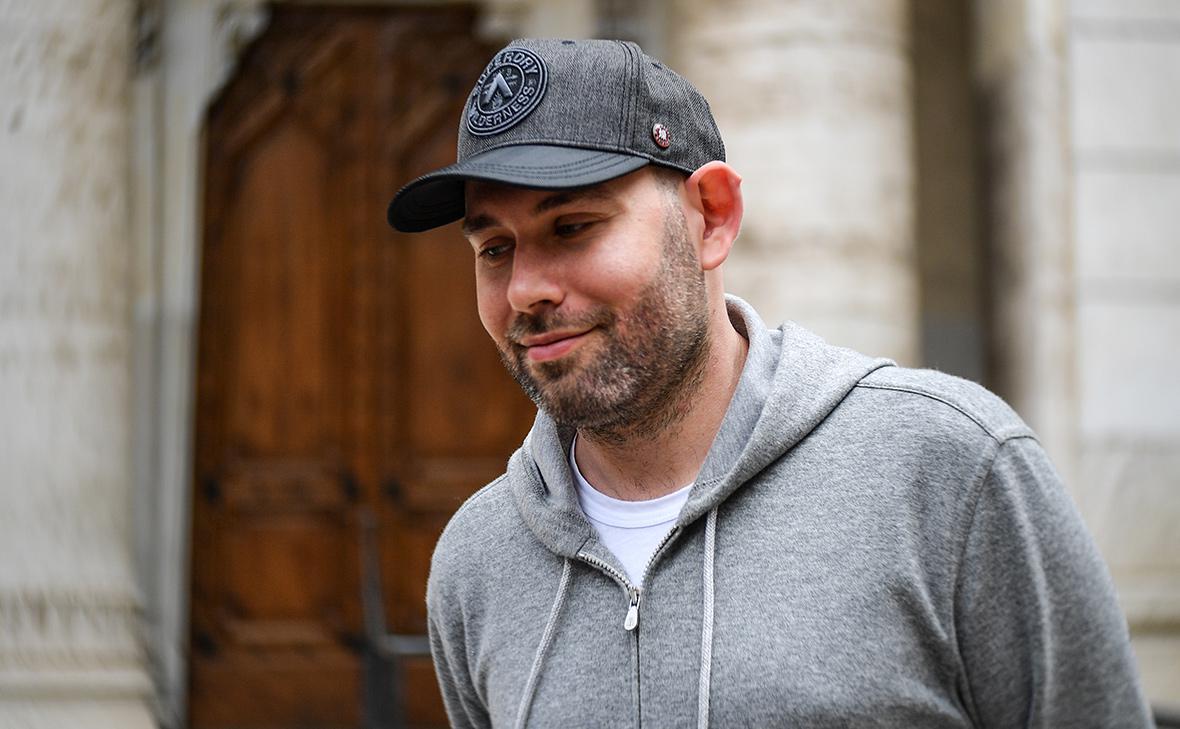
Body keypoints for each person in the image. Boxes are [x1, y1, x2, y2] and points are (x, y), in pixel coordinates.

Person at [387, 38, 1151, 728]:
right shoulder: (476, 561)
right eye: (494, 248)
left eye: (572, 227)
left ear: (713, 216)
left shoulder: (953, 470)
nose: (526, 289)